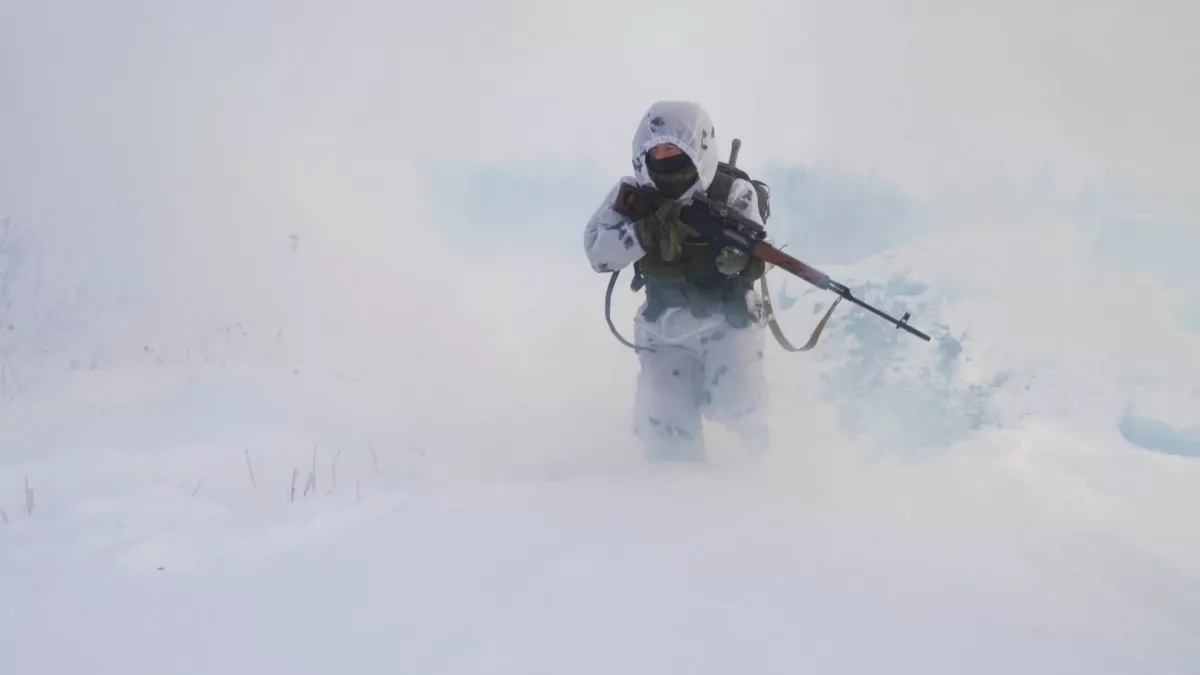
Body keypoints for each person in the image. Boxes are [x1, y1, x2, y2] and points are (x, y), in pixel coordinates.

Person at [583, 100, 770, 462]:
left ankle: (760, 488)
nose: (663, 155)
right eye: (656, 148)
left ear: (697, 146)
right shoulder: (635, 194)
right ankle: (674, 505)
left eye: (673, 148)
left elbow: (762, 251)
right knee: (667, 431)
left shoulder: (732, 192)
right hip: (664, 326)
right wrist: (643, 233)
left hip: (728, 322)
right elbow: (598, 252)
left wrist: (741, 261)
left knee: (740, 410)